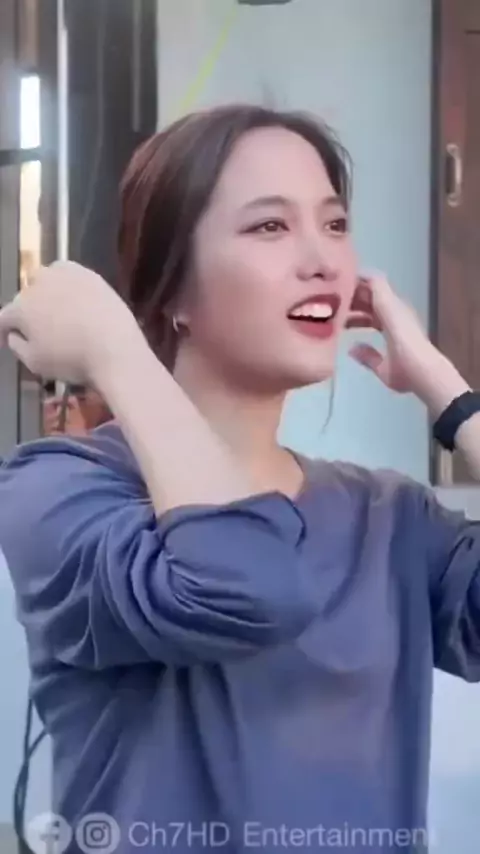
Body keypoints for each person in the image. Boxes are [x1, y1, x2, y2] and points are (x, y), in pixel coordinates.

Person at [0, 104, 478, 854]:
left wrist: (449, 393)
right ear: (172, 289)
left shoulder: (391, 517)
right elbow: (242, 585)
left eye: (335, 224)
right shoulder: (59, 488)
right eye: (270, 226)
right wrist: (117, 354)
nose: (323, 261)